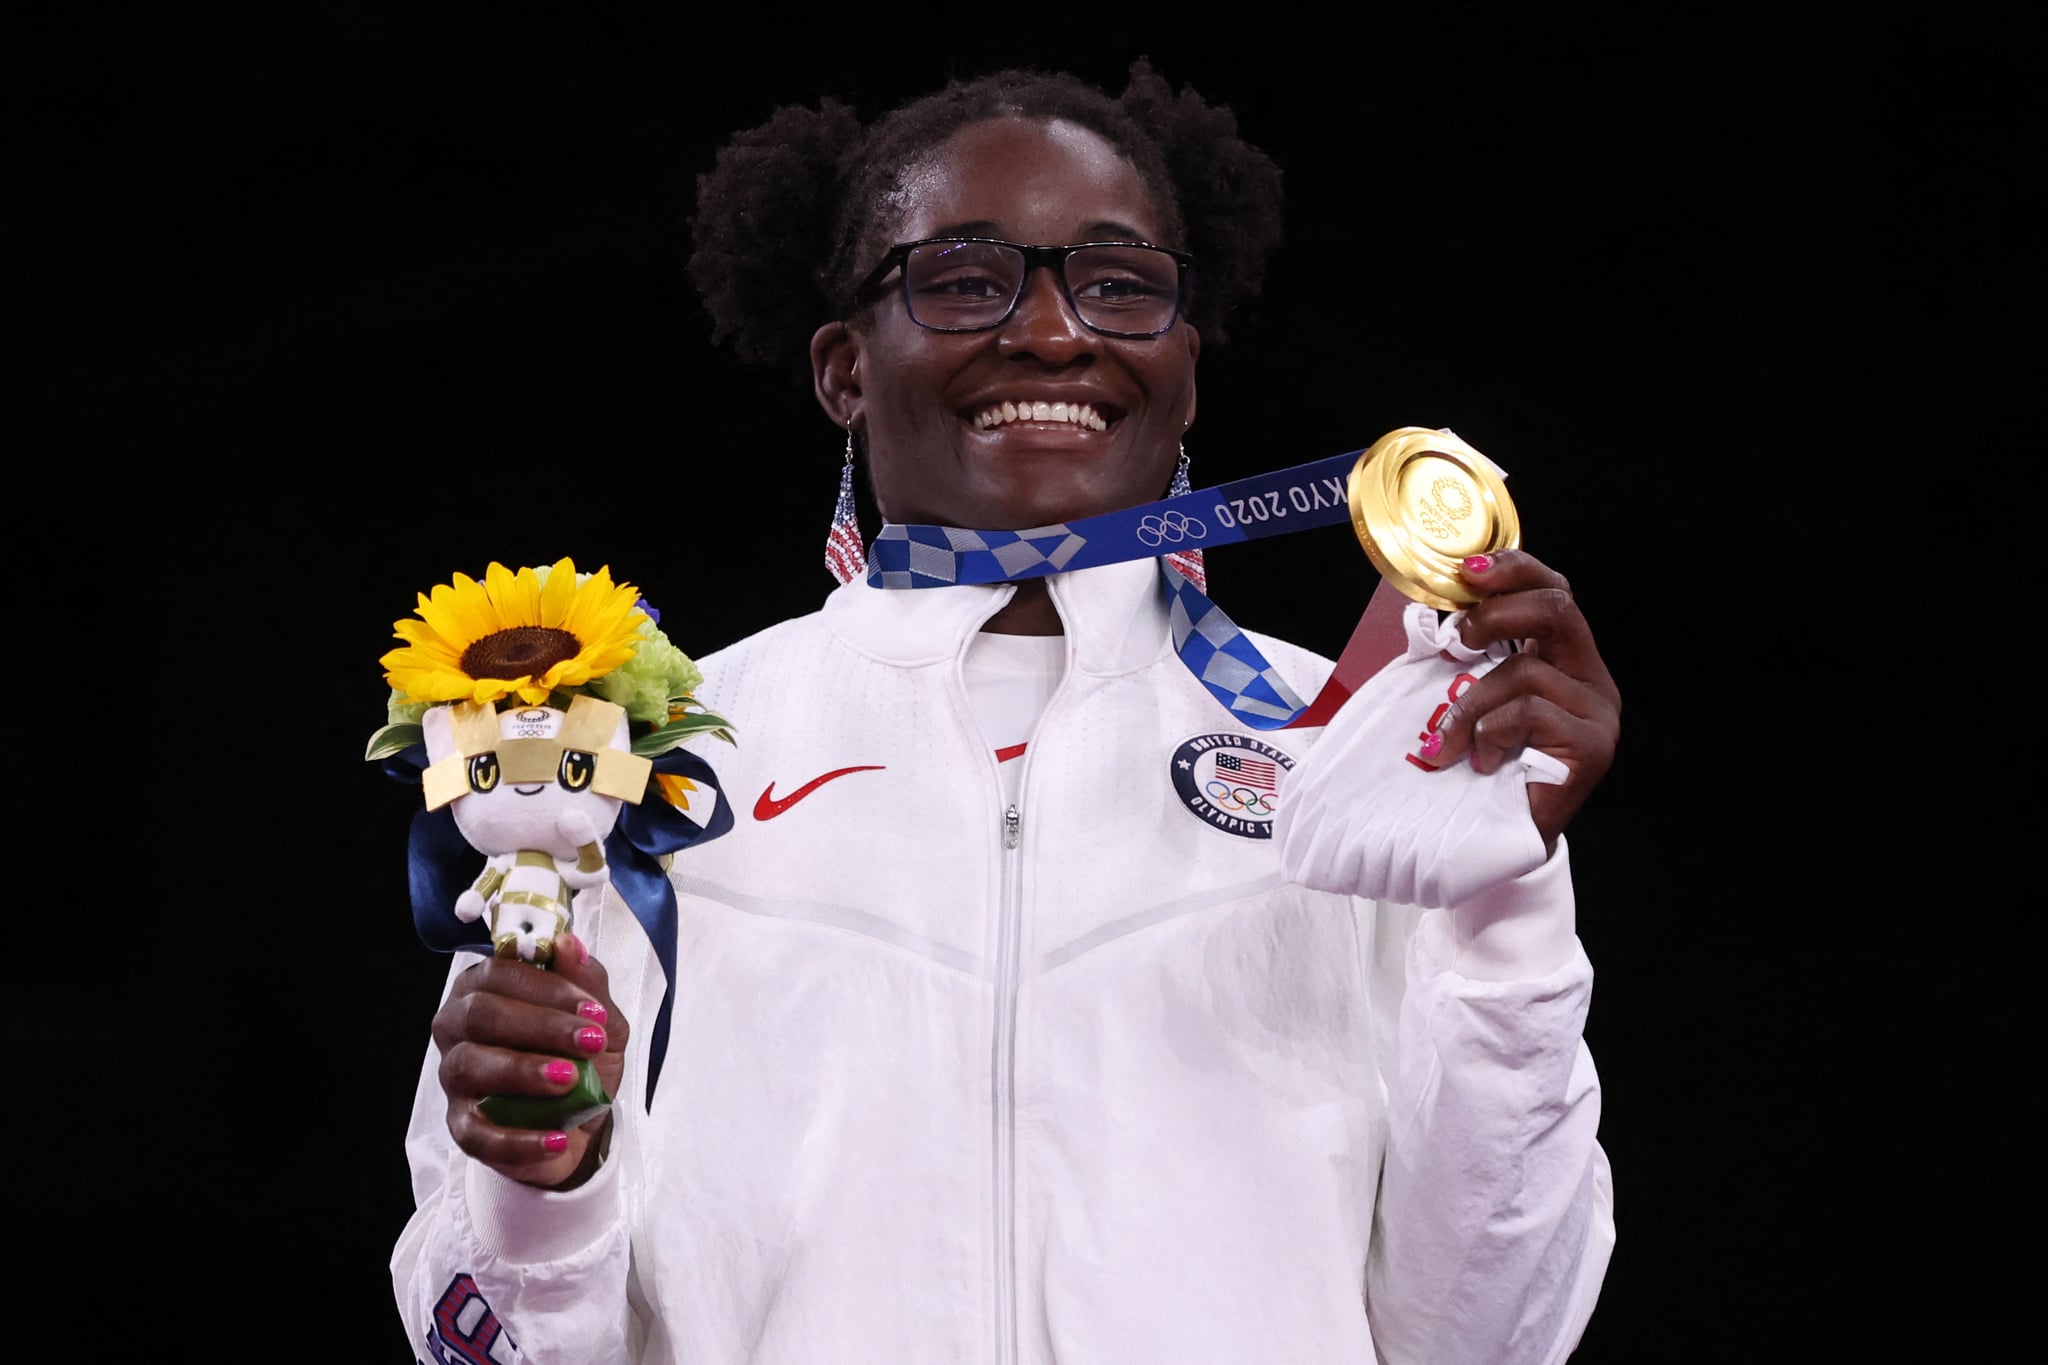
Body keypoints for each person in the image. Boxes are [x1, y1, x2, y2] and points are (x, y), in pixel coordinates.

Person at [392, 59, 1622, 1364]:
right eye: (966, 279)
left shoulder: (1359, 752)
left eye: (1120, 284)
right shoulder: (652, 763)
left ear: (1186, 371)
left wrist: (1510, 914)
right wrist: (543, 1182)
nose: (1050, 331)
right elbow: (483, 1337)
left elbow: (1488, 1336)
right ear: (843, 368)